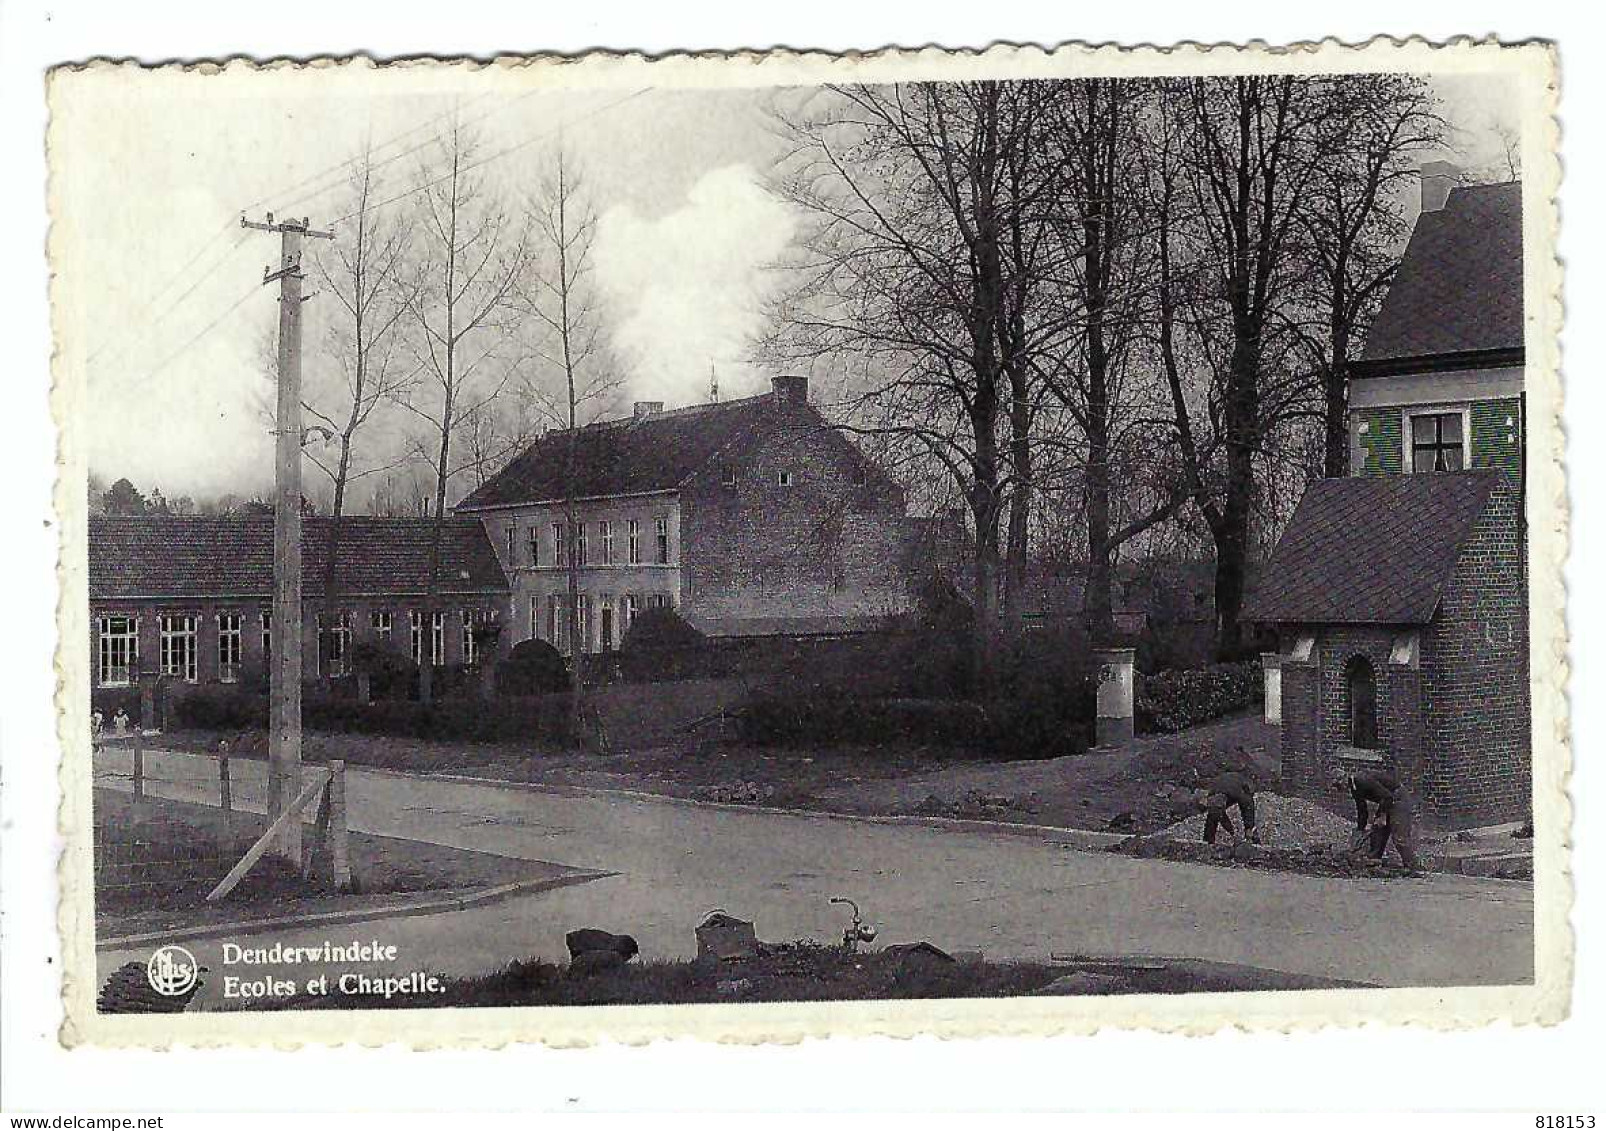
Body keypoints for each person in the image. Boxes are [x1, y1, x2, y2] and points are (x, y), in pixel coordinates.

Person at [1331, 765, 1420, 871]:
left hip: (1398, 799)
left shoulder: (1362, 780)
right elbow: (1362, 810)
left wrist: (1382, 817)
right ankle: (1374, 861)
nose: (1339, 789)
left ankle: (1412, 866)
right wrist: (1360, 830)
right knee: (1377, 831)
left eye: (1338, 785)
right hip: (1387, 801)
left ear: (1343, 779)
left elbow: (1387, 796)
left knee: (1399, 837)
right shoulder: (1354, 788)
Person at [1194, 769, 1259, 846]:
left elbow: (1248, 807)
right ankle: (1208, 841)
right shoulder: (1213, 794)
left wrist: (1249, 827)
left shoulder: (1238, 792)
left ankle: (1254, 839)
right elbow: (1218, 813)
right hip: (1224, 785)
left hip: (1238, 785)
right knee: (1212, 816)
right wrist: (1231, 831)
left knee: (1248, 814)